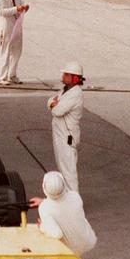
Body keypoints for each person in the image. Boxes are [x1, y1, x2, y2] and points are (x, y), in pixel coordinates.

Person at [31, 171, 96, 256]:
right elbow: (63, 205)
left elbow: (56, 234)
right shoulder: (76, 197)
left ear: (44, 187)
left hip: (71, 250)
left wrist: (43, 227)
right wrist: (43, 201)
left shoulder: (44, 208)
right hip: (87, 240)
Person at [49, 62, 85, 193]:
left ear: (74, 78)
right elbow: (50, 101)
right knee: (62, 167)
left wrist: (54, 105)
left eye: (66, 74)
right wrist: (53, 104)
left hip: (67, 137)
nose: (63, 76)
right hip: (60, 135)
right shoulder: (65, 90)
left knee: (69, 171)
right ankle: (67, 197)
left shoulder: (75, 94)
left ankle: (74, 199)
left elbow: (57, 111)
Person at [0, 0, 29, 85]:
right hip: (6, 26)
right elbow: (2, 12)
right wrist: (16, 9)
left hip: (16, 24)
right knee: (5, 51)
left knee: (17, 51)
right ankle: (1, 77)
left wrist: (24, 8)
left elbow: (21, 4)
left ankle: (12, 74)